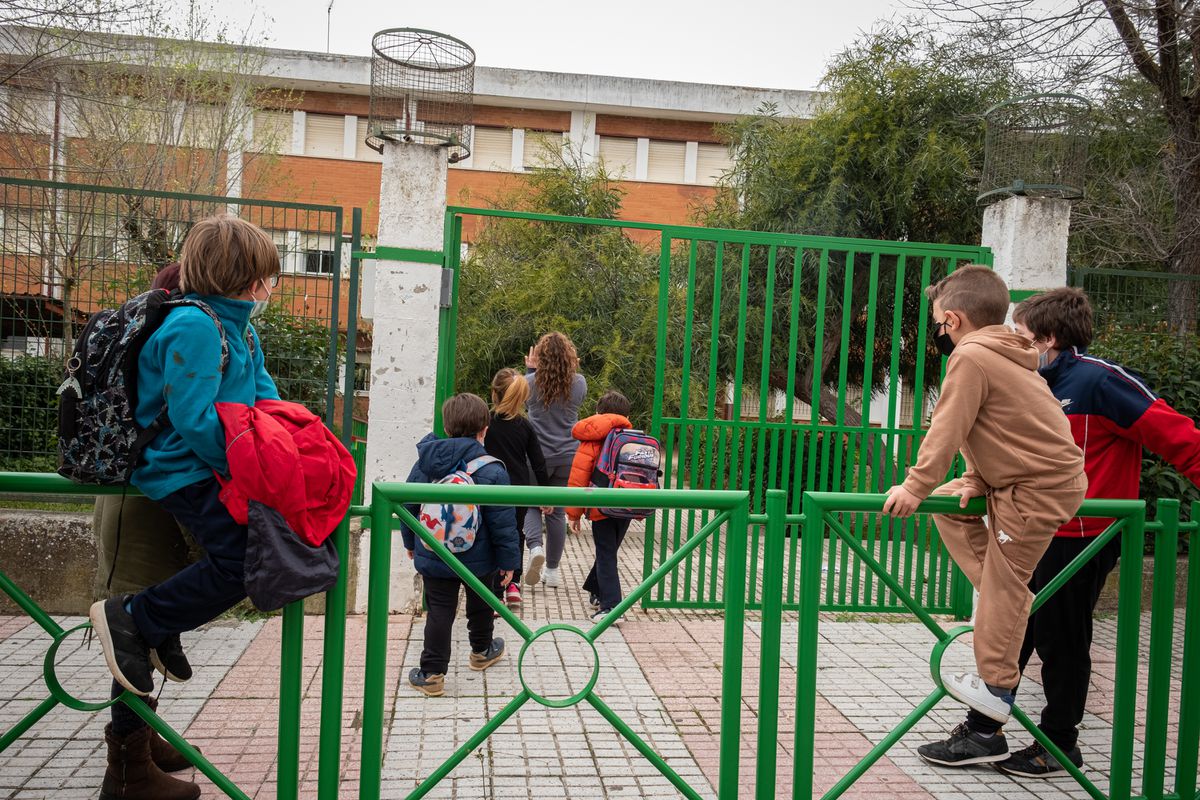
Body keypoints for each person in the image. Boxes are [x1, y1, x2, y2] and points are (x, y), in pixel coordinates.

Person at [918, 286, 1200, 776]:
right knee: (1014, 623)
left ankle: (1058, 743)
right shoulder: (1019, 376)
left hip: (1083, 535)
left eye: (1022, 335)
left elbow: (1176, 435)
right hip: (1030, 524)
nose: (1011, 340)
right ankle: (984, 732)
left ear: (1050, 339)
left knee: (1060, 639)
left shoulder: (1099, 382)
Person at [87, 218, 283, 800]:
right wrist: (246, 468)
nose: (271, 285)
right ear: (242, 276)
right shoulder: (195, 325)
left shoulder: (236, 328)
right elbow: (197, 418)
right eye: (265, 274)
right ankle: (126, 772)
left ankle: (142, 735)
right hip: (167, 478)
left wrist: (291, 442)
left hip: (196, 471)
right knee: (137, 614)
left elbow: (261, 397)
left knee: (160, 605)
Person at [881, 265, 1087, 733]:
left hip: (1037, 487)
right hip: (1024, 479)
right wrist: (974, 477)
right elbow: (997, 424)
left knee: (1004, 582)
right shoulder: (1006, 352)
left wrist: (914, 487)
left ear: (951, 320)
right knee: (954, 507)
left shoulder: (971, 357)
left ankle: (994, 691)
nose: (938, 333)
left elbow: (948, 428)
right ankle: (1005, 595)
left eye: (938, 324)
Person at [401, 393, 519, 697]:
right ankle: (481, 651)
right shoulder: (492, 470)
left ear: (446, 425)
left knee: (440, 610)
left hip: (435, 551)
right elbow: (503, 523)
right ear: (484, 428)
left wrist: (411, 541)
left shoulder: (427, 462)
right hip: (479, 559)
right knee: (481, 603)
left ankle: (431, 673)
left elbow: (407, 505)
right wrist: (508, 562)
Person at [522, 332, 587, 588]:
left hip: (536, 456)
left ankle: (535, 547)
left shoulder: (529, 382)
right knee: (557, 513)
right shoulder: (579, 383)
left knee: (530, 505)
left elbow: (528, 405)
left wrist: (530, 369)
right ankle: (552, 572)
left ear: (541, 358)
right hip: (567, 455)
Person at [484, 368, 550, 609]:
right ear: (522, 397)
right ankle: (513, 584)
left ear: (494, 393)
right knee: (515, 534)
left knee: (491, 534)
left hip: (489, 487)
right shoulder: (525, 425)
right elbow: (539, 463)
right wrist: (545, 494)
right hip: (518, 488)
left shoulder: (485, 422)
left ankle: (494, 588)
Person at [566, 390, 634, 623]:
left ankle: (611, 607)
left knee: (606, 553)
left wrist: (573, 514)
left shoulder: (592, 439)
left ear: (598, 412)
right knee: (609, 551)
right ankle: (596, 588)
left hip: (601, 508)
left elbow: (579, 477)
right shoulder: (630, 437)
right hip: (627, 505)